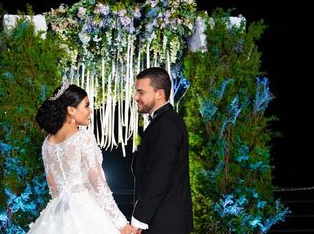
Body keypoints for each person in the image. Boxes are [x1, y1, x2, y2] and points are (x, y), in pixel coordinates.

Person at [28, 79, 136, 234]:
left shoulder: (47, 143)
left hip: (57, 212)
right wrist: (121, 223)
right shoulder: (82, 138)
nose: (90, 110)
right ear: (71, 110)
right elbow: (98, 183)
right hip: (86, 209)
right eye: (86, 105)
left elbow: (52, 186)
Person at [131, 67, 193, 234]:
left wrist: (139, 220)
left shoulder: (166, 125)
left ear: (159, 94)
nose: (136, 97)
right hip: (164, 220)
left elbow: (158, 176)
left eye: (141, 92)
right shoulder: (164, 121)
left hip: (165, 223)